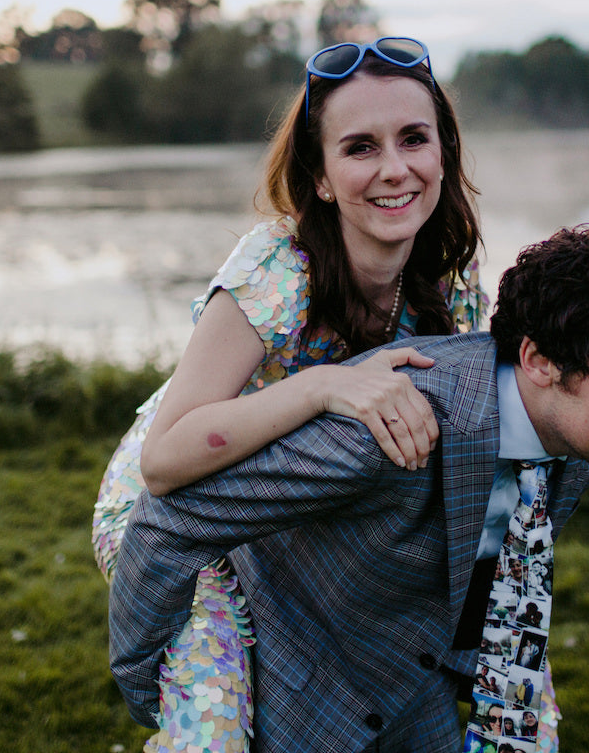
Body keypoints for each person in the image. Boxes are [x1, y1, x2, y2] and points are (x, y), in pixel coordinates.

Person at [110, 224, 589, 752]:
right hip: (297, 691)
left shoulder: (584, 430)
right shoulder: (388, 433)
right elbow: (168, 518)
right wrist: (156, 688)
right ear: (541, 361)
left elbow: (488, 556)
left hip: (415, 681)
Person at [92, 36, 493, 752]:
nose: (395, 168)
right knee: (214, 727)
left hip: (294, 505)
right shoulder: (279, 268)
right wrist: (321, 386)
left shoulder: (452, 286)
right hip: (176, 502)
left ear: (444, 155)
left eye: (414, 139)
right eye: (361, 148)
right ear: (322, 178)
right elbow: (165, 461)